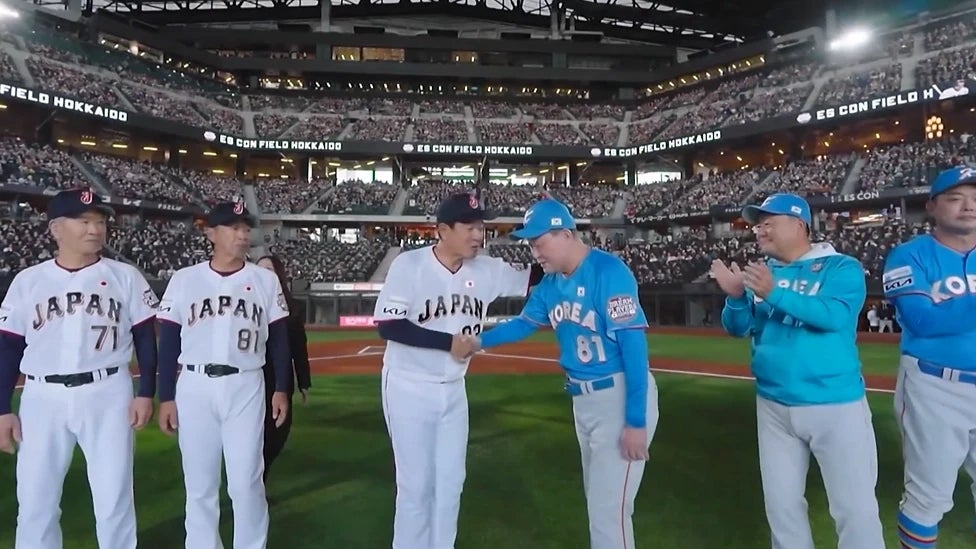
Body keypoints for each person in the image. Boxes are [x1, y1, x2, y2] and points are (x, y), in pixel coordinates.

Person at [463, 198, 658, 549]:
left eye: (539, 242)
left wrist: (635, 421)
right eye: (531, 244)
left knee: (609, 512)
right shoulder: (551, 285)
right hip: (583, 402)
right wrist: (479, 341)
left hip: (617, 397)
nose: (535, 252)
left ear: (565, 234)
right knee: (599, 506)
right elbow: (523, 324)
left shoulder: (608, 272)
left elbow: (634, 349)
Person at [710, 192, 885, 549]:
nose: (760, 230)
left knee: (855, 510)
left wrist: (774, 292)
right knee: (782, 509)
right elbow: (739, 327)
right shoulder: (766, 272)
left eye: (768, 222)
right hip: (773, 404)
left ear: (799, 225)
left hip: (835, 404)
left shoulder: (841, 267)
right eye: (758, 224)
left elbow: (834, 316)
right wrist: (735, 297)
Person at [372, 192, 542, 549]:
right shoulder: (410, 265)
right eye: (469, 227)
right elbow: (389, 325)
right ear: (443, 230)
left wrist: (568, 249)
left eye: (481, 227)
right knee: (416, 486)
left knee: (451, 484)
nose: (479, 234)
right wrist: (448, 342)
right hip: (408, 386)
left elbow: (536, 277)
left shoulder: (488, 269)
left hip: (453, 388)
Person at [0, 188, 158, 549]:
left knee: (114, 497)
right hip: (42, 396)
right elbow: (8, 348)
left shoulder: (125, 276)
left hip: (108, 391)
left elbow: (145, 339)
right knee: (35, 500)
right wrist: (2, 408)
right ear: (56, 229)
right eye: (84, 221)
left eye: (100, 222)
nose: (95, 229)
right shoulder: (28, 281)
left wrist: (146, 392)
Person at [155, 201, 292, 549]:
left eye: (246, 228)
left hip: (246, 382)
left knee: (246, 482)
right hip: (194, 385)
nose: (242, 235)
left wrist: (282, 388)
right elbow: (168, 342)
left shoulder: (265, 280)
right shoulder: (184, 280)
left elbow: (280, 339)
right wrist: (165, 396)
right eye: (233, 228)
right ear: (211, 233)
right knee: (199, 485)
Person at [882, 167, 976, 547]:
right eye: (956, 199)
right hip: (936, 386)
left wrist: (956, 307)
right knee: (929, 496)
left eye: (975, 199)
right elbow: (921, 321)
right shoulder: (908, 255)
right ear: (932, 207)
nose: (969, 206)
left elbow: (940, 314)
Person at [256, 254, 312, 483]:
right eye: (259, 269)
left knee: (279, 431)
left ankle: (261, 472)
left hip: (280, 377)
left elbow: (299, 347)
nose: (263, 274)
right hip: (252, 377)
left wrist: (304, 382)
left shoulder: (291, 308)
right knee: (253, 432)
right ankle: (254, 482)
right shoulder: (244, 301)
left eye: (269, 269)